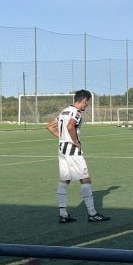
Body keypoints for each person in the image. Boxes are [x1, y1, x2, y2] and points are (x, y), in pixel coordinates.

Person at [46, 89, 109, 223]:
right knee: (85, 179)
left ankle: (63, 215)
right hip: (73, 151)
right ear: (84, 101)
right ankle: (92, 214)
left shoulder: (64, 111)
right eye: (87, 103)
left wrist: (62, 137)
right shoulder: (76, 113)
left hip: (61, 150)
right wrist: (76, 142)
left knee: (64, 180)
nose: (87, 105)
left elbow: (50, 127)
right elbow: (70, 127)